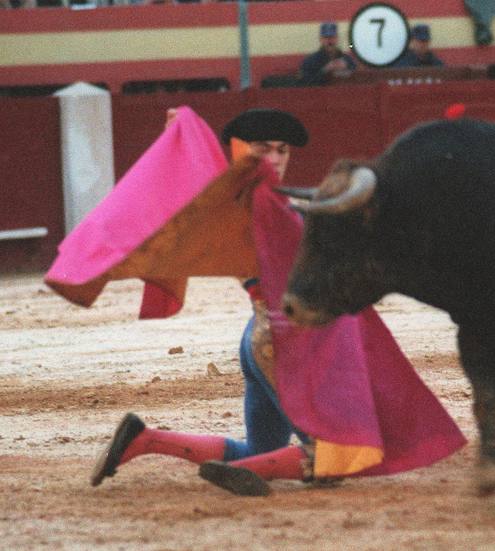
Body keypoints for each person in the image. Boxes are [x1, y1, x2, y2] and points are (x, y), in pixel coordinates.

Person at [91, 108, 325, 497]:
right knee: (332, 453)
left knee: (260, 449)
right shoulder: (246, 202)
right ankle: (254, 473)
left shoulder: (249, 200)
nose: (276, 158)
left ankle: (146, 440)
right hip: (282, 342)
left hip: (259, 336)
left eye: (282, 150)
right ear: (239, 151)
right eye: (263, 149)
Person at [299, 21, 357, 86]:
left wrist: (347, 70)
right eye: (326, 37)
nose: (329, 41)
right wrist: (325, 70)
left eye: (332, 37)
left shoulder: (347, 60)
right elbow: (305, 83)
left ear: (337, 38)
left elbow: (357, 78)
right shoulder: (310, 61)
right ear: (320, 39)